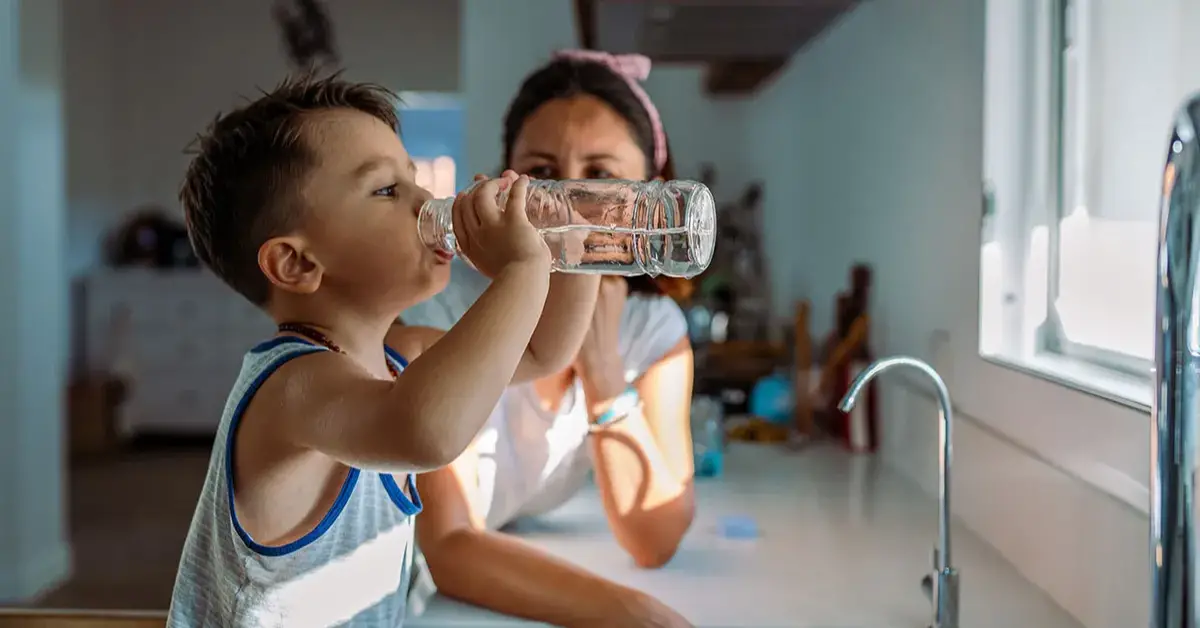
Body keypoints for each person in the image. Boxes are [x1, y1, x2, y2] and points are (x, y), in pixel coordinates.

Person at [166, 74, 599, 627]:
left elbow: (541, 353)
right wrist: (520, 270)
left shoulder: (400, 353)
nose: (426, 201)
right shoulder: (291, 388)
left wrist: (574, 246)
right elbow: (426, 433)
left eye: (413, 178)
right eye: (386, 190)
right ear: (297, 264)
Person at [396, 50, 696, 627]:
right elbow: (450, 545)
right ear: (505, 178)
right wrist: (637, 614)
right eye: (545, 172)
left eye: (601, 177)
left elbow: (653, 538)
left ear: (652, 195)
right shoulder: (438, 309)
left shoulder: (652, 330)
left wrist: (604, 371)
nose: (570, 205)